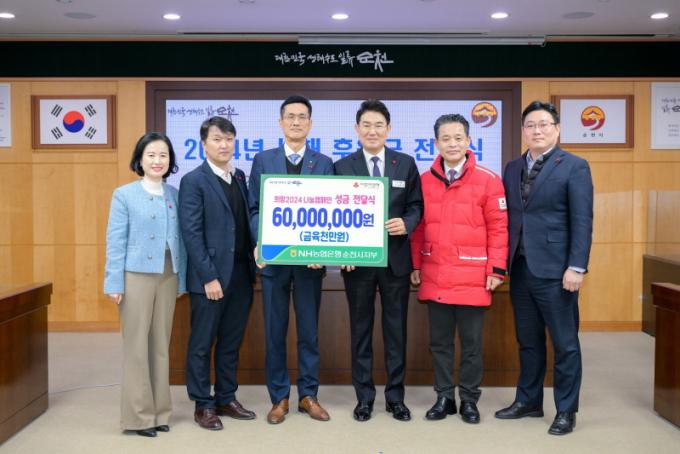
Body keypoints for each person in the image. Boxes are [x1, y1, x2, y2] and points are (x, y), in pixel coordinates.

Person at [495, 101, 593, 435]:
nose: (537, 131)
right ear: (523, 131)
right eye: (531, 125)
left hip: (557, 271)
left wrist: (576, 267)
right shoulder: (512, 167)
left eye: (544, 124)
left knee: (565, 344)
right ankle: (529, 401)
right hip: (521, 268)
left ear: (557, 129)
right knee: (528, 340)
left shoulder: (574, 166)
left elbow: (582, 220)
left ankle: (566, 410)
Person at [410, 114, 508, 424]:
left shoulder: (489, 180)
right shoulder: (424, 180)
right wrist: (415, 264)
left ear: (468, 141)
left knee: (471, 345)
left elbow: (499, 228)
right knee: (439, 343)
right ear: (436, 143)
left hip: (472, 276)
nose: (452, 144)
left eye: (458, 138)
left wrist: (496, 269)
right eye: (445, 139)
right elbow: (417, 228)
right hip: (435, 273)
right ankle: (443, 397)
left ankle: (468, 399)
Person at [333, 99, 423, 422]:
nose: (372, 131)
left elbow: (416, 205)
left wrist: (407, 223)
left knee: (396, 332)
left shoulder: (405, 163)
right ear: (357, 129)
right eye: (366, 125)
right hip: (357, 263)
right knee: (360, 331)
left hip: (395, 262)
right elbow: (334, 212)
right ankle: (364, 398)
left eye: (379, 125)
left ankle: (395, 398)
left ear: (389, 129)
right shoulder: (342, 166)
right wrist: (342, 251)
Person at [248, 95, 334, 424]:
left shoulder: (324, 163)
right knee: (275, 332)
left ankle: (309, 395)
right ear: (280, 122)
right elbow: (254, 208)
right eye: (290, 116)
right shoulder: (263, 160)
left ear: (310, 124)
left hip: (310, 265)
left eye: (302, 117)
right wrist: (262, 241)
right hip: (274, 263)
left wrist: (321, 250)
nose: (296, 122)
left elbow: (329, 211)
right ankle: (279, 397)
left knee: (309, 332)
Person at [104, 132, 187, 437]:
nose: (157, 161)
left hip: (168, 274)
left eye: (163, 155)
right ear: (140, 159)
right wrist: (114, 282)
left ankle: (160, 412)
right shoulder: (124, 195)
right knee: (136, 346)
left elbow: (182, 241)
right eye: (151, 155)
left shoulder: (174, 194)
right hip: (135, 275)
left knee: (161, 345)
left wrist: (182, 279)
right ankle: (139, 417)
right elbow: (115, 241)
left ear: (170, 160)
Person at [179, 116, 256, 431]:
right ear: (204, 144)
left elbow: (244, 222)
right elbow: (191, 233)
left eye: (229, 139)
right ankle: (203, 404)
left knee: (230, 342)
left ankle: (226, 397)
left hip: (240, 274)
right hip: (209, 278)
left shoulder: (239, 176)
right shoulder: (193, 180)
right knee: (202, 343)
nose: (224, 145)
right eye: (217, 139)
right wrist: (208, 277)